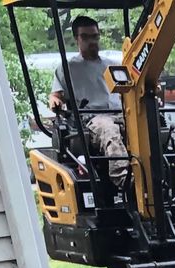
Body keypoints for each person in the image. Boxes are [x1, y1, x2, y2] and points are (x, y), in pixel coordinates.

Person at [50, 15, 130, 186]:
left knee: (144, 125)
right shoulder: (68, 68)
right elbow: (56, 95)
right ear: (76, 39)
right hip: (92, 119)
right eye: (85, 37)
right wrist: (55, 101)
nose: (91, 41)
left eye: (94, 36)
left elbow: (128, 91)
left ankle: (154, 176)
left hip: (120, 113)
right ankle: (125, 180)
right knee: (108, 129)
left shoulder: (112, 65)